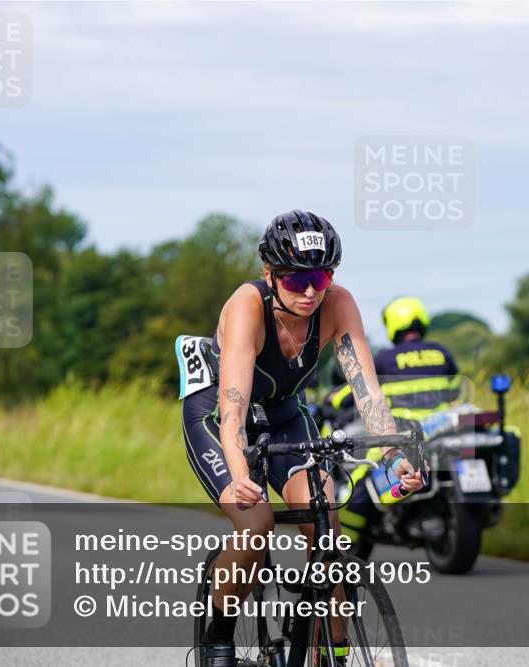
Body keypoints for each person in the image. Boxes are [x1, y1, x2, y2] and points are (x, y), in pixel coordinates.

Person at [181, 210, 423, 667]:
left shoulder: (338, 304)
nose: (311, 290)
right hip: (220, 416)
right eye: (296, 280)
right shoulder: (246, 307)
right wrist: (239, 477)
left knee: (329, 532)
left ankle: (328, 652)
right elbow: (232, 409)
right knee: (256, 528)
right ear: (270, 275)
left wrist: (393, 453)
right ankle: (218, 634)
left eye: (321, 276)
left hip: (286, 414)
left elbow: (366, 391)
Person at [331, 297, 461, 546]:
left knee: (360, 476)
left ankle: (343, 547)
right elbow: (455, 389)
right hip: (441, 427)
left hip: (404, 431)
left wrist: (334, 399)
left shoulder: (385, 359)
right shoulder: (442, 353)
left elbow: (361, 390)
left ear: (393, 324)